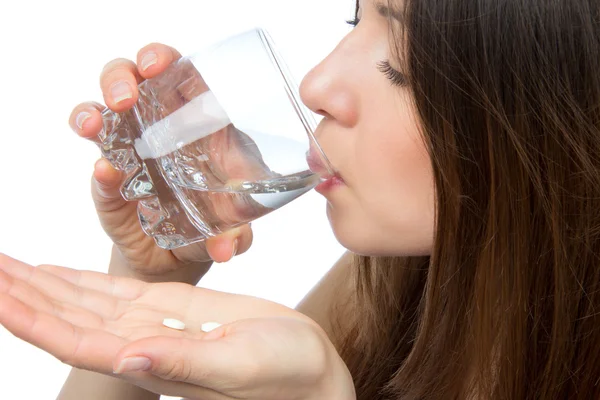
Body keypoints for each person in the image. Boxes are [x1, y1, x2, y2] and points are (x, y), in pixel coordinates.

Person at [1, 0, 599, 398]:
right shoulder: (401, 287)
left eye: (401, 67)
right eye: (354, 21)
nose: (315, 85)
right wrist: (154, 271)